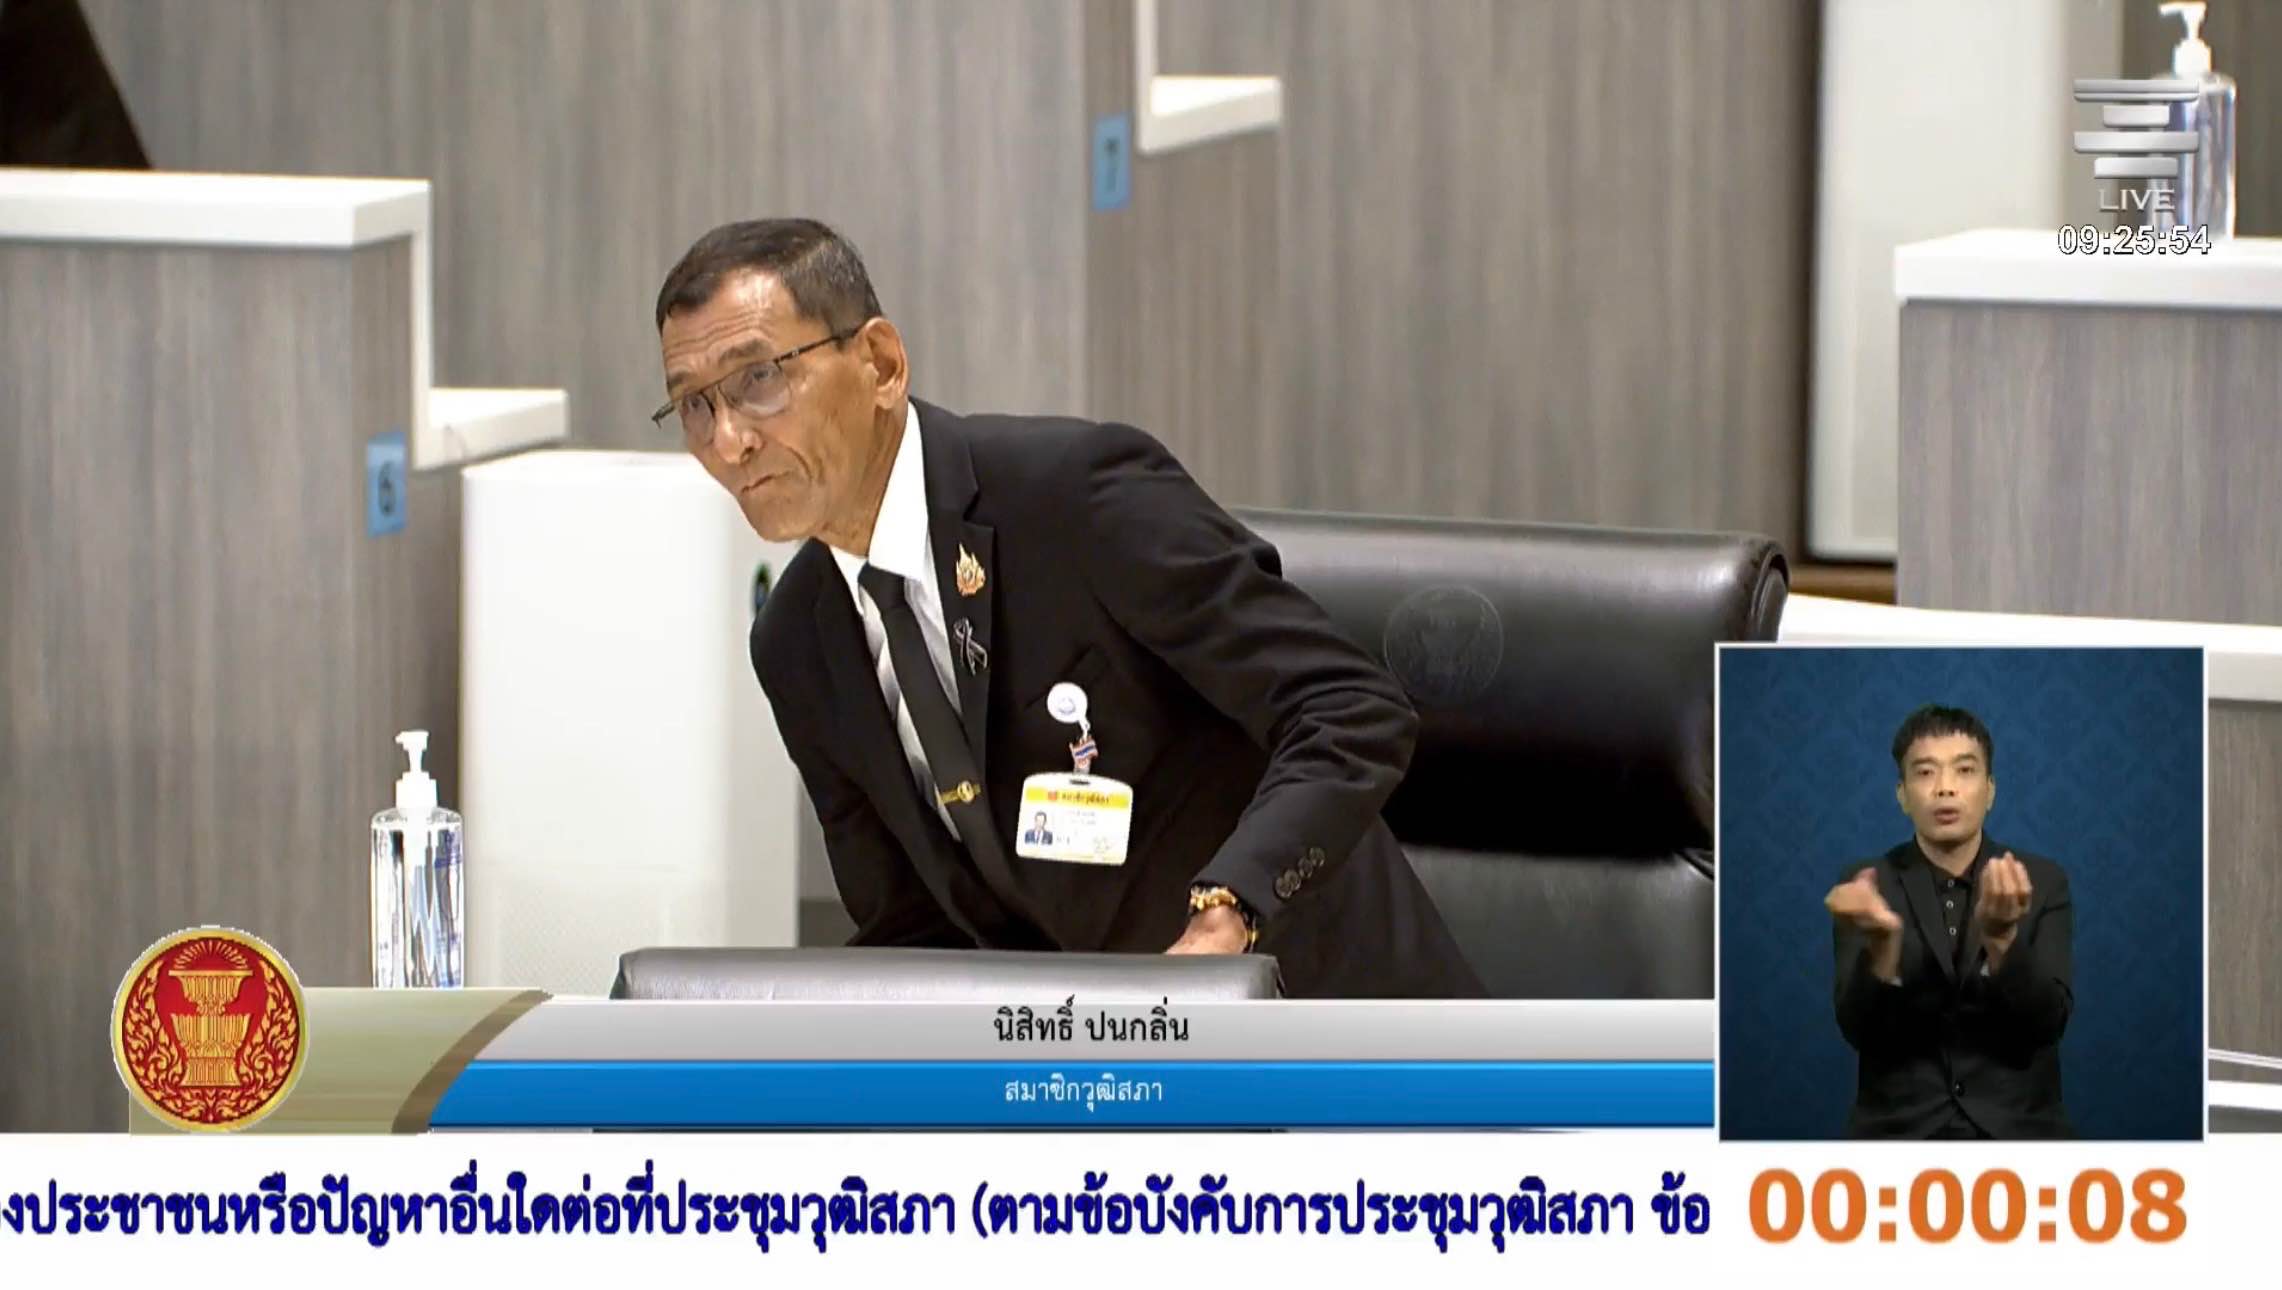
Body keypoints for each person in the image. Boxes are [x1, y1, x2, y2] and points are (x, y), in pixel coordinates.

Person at [653, 218, 1482, 998]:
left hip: (1339, 1025)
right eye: (696, 404)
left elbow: (1349, 709)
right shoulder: (797, 641)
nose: (729, 441)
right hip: (1092, 1075)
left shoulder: (1074, 496)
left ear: (880, 363)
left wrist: (1227, 915)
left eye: (759, 380)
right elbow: (912, 928)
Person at [1823, 704, 2073, 1138]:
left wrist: (2002, 940)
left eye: (1964, 770)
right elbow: (1858, 1032)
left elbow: (2048, 1024)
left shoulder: (2041, 880)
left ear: (1990, 790)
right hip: (1898, 1135)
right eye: (1925, 773)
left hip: (2020, 1133)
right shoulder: (1868, 884)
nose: (1945, 788)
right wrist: (1882, 949)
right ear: (1902, 794)